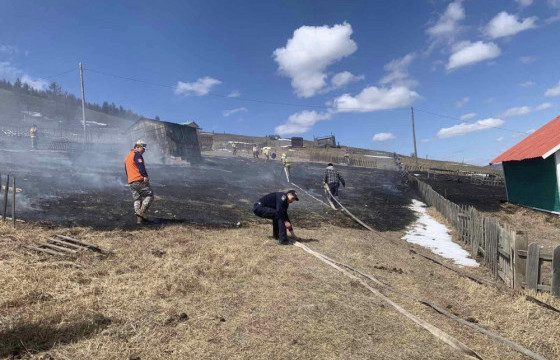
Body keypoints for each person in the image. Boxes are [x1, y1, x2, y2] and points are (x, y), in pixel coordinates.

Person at [125, 140, 154, 224]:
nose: (144, 150)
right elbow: (140, 165)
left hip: (131, 181)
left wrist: (130, 180)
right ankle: (141, 212)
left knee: (137, 199)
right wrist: (144, 175)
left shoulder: (128, 156)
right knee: (149, 195)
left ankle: (139, 221)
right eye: (143, 148)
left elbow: (126, 170)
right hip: (139, 179)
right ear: (137, 147)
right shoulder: (137, 154)